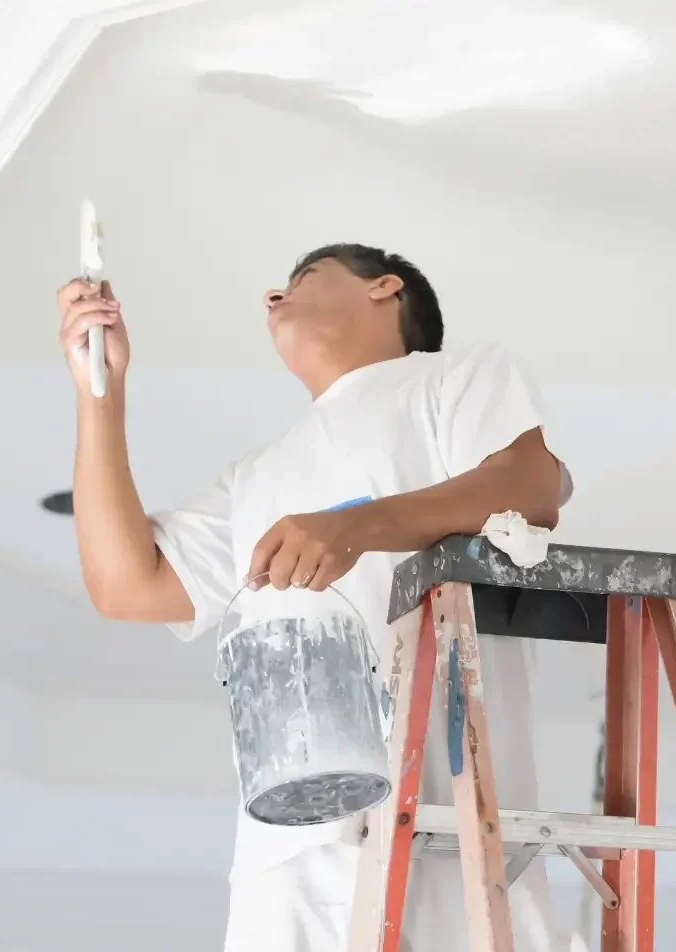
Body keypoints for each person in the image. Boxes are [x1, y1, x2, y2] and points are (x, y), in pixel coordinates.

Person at [56, 243, 575, 952]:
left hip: (443, 830)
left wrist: (359, 525)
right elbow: (127, 583)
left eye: (304, 279)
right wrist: (101, 393)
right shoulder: (256, 476)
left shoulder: (451, 379)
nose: (274, 298)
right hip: (285, 849)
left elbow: (530, 486)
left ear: (384, 288)